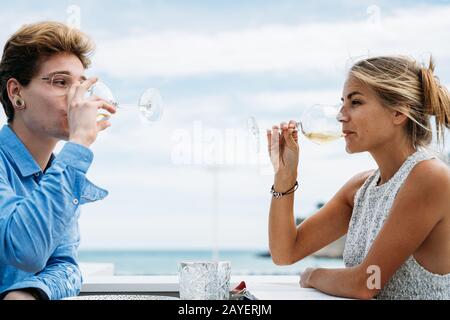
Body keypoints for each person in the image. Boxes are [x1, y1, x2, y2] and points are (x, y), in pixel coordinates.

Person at [267, 55, 450, 299]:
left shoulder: (430, 178)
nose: (341, 115)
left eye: (355, 103)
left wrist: (312, 275)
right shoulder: (360, 189)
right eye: (342, 103)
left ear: (398, 112)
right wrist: (284, 175)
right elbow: (285, 252)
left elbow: (366, 283)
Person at [0, 21, 116, 300]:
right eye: (61, 82)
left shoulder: (57, 173)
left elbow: (66, 265)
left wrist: (30, 292)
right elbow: (24, 251)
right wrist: (78, 143)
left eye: (81, 86)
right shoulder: (65, 167)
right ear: (16, 93)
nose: (79, 99)